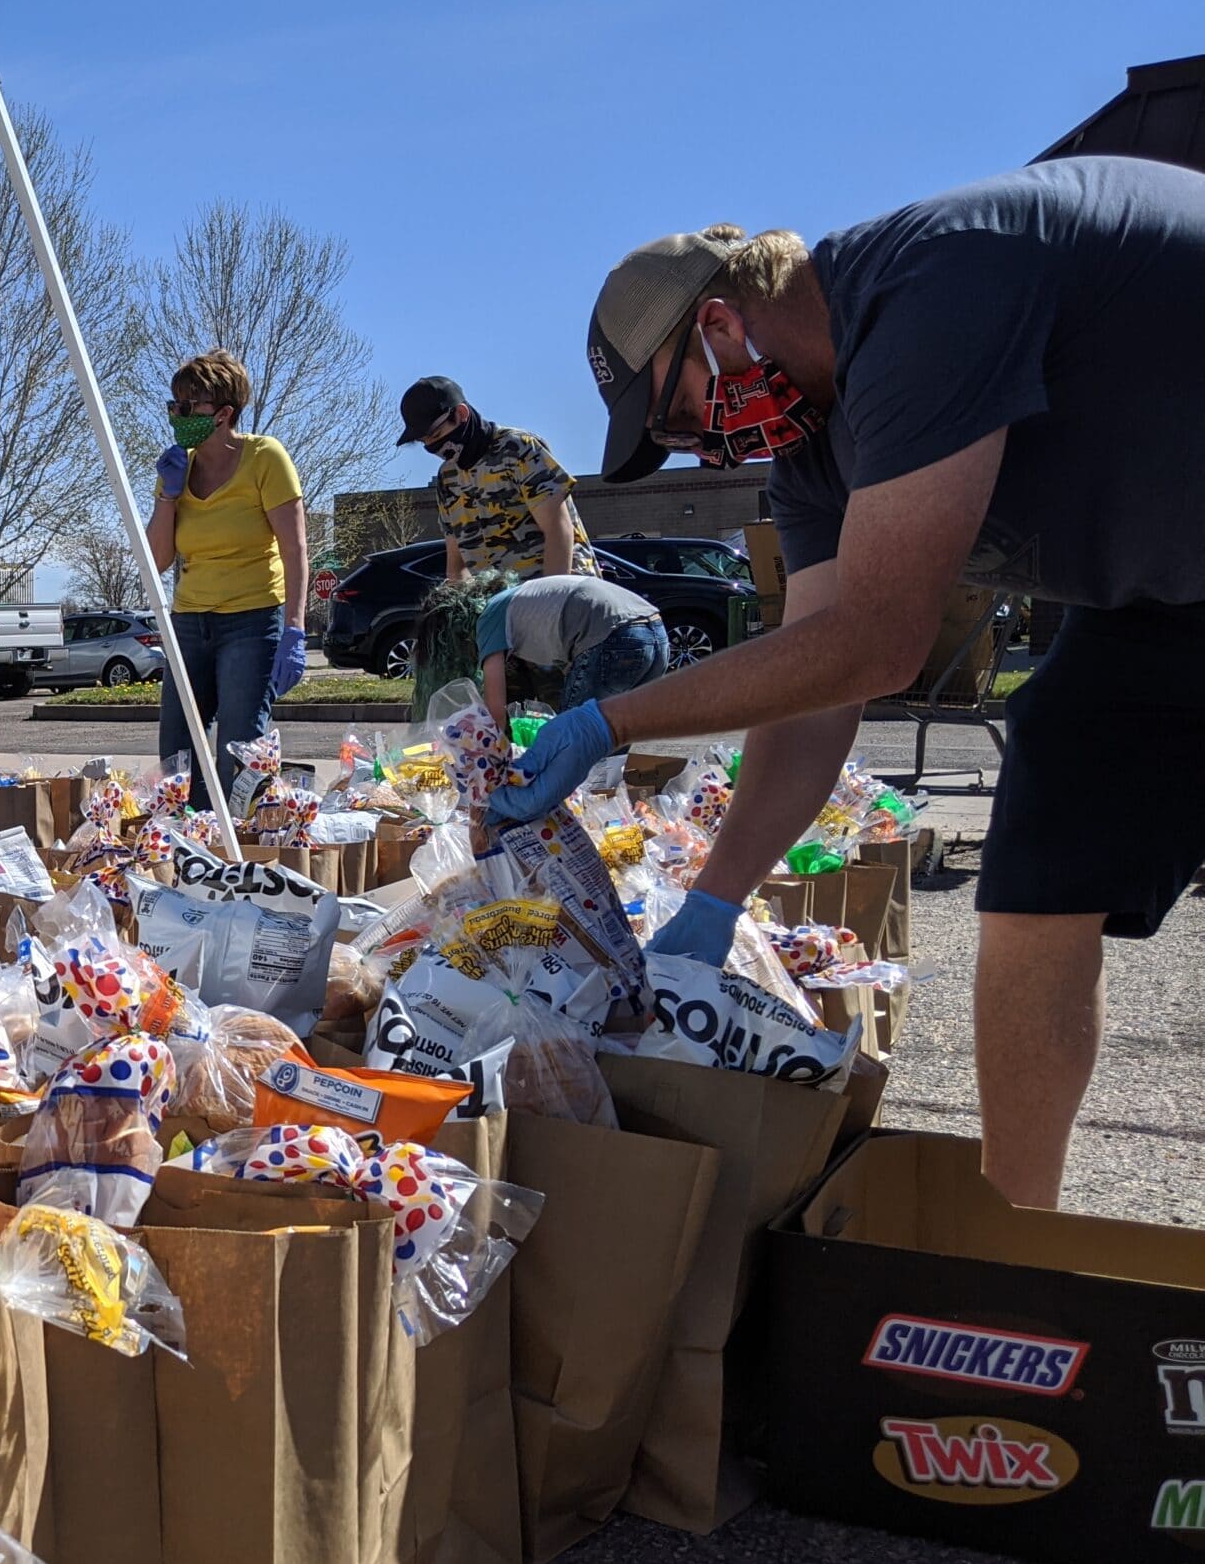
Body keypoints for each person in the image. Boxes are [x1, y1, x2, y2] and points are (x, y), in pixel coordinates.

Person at [495, 155, 1205, 1209]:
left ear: (723, 330)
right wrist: (712, 901)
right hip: (1164, 600)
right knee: (1041, 870)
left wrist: (613, 718)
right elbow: (817, 679)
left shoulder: (927, 292)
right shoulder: (816, 457)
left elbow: (878, 642)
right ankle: (1021, 1242)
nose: (697, 457)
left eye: (682, 422)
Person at [146, 349, 309, 795]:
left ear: (223, 414)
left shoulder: (265, 457)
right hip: (189, 621)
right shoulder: (176, 466)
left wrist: (295, 629)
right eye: (173, 406)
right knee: (178, 754)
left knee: (239, 752)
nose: (177, 416)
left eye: (188, 407)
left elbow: (295, 550)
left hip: (252, 620)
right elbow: (157, 559)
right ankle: (184, 844)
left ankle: (240, 847)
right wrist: (168, 496)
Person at [395, 374, 598, 582]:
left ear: (461, 414)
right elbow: (457, 565)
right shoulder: (448, 479)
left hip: (567, 590)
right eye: (425, 441)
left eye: (437, 435)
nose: (434, 447)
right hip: (505, 603)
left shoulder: (519, 448)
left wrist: (553, 599)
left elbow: (558, 529)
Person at [469, 574, 669, 734]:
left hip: (612, 634)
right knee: (619, 731)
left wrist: (483, 754)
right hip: (656, 629)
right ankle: (612, 784)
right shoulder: (527, 599)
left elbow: (495, 711)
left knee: (575, 735)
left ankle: (590, 784)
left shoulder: (489, 616)